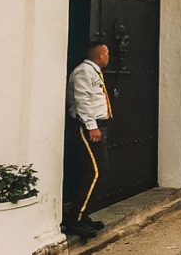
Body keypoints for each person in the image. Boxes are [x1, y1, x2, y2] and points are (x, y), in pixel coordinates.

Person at [64, 41, 113, 238]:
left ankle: (82, 215)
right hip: (86, 128)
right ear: (100, 55)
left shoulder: (93, 72)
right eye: (107, 53)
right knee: (96, 171)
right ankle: (75, 219)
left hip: (96, 126)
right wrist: (92, 127)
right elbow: (82, 100)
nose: (109, 56)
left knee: (96, 171)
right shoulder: (84, 71)